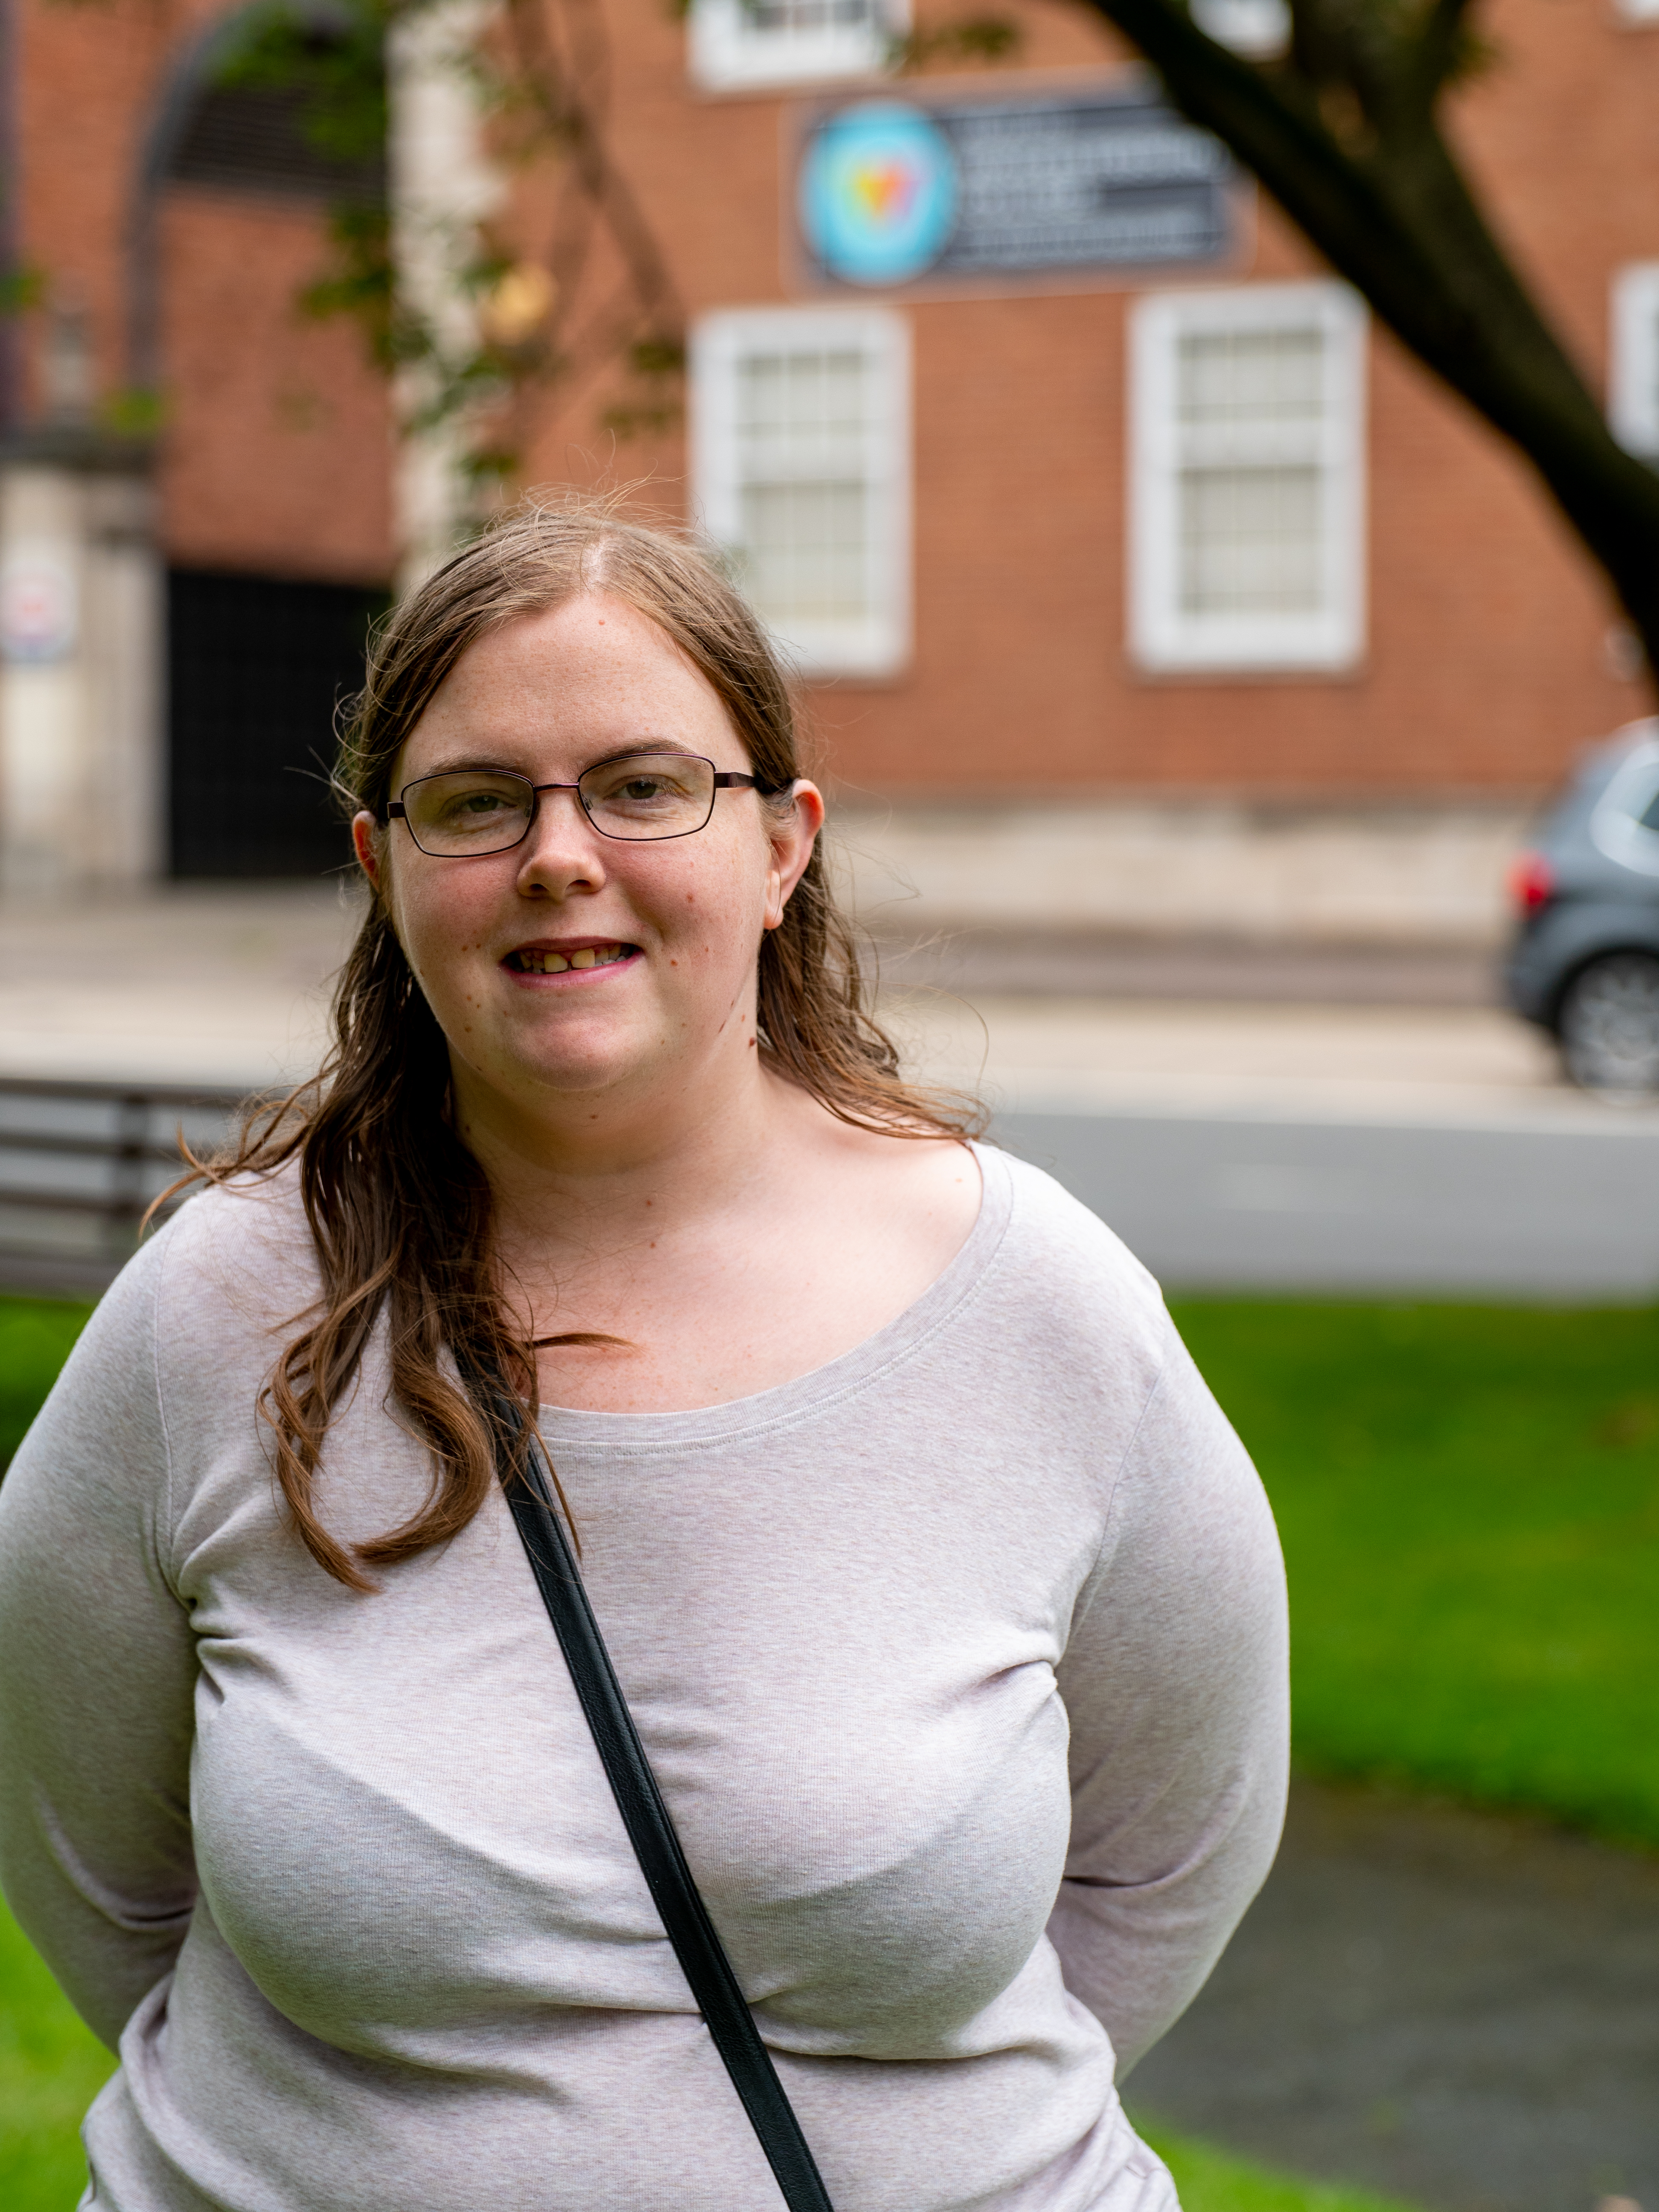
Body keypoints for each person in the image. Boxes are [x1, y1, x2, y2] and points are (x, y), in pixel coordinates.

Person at [0, 502, 1288, 2212]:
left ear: (782, 849)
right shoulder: (217, 1316)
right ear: (386, 875)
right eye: (479, 800)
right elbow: (94, 1877)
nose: (559, 854)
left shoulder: (1042, 1307)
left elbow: (1165, 1870)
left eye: (644, 784)